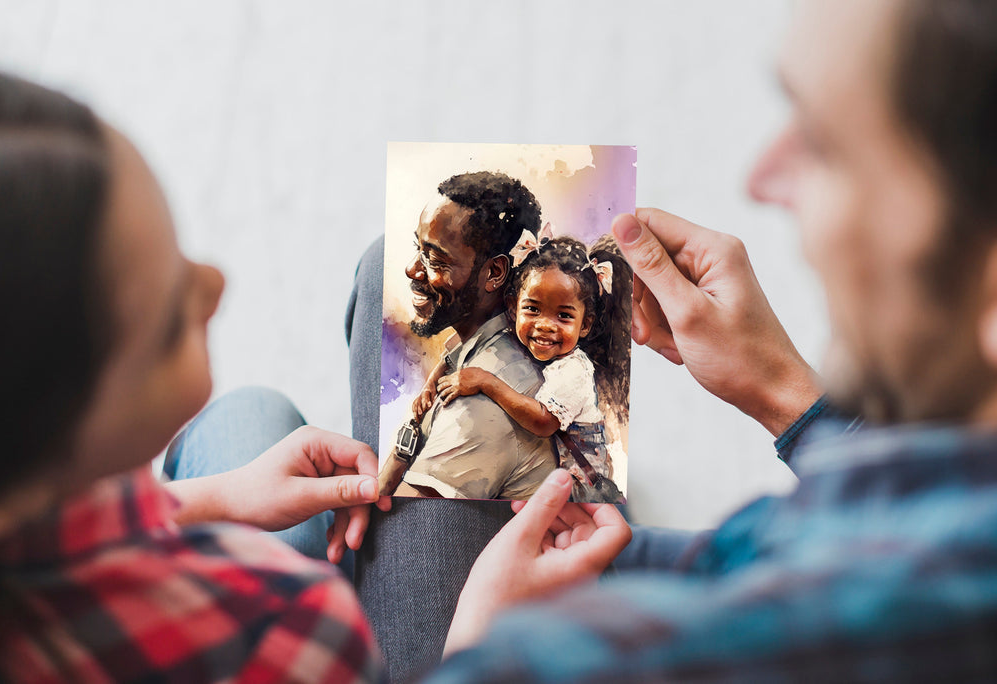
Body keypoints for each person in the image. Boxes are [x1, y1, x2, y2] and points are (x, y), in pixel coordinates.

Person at [354, 0, 997, 679]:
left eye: (825, 144)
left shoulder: (553, 661)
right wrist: (787, 397)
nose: (761, 179)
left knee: (290, 379)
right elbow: (769, 543)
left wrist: (479, 640)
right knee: (268, 414)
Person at [0, 68, 390, 682]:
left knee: (255, 411)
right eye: (171, 322)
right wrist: (483, 639)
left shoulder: (6, 490)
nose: (216, 281)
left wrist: (223, 495)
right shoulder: (292, 626)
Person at [380, 171, 556, 501]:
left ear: (494, 273)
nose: (412, 269)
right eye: (418, 250)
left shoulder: (479, 406)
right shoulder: (468, 354)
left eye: (434, 258)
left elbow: (411, 528)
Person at [430, 234, 632, 503]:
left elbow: (544, 421)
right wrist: (429, 385)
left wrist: (485, 381)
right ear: (514, 308)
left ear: (585, 324)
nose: (545, 325)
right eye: (533, 309)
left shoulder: (574, 370)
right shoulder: (522, 342)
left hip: (576, 494)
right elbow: (459, 345)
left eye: (564, 316)